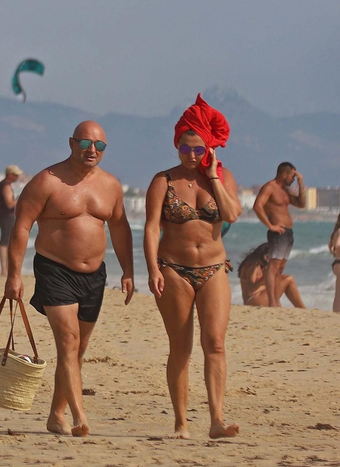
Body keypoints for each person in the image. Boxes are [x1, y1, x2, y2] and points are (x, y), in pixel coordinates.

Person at [4, 121, 135, 438]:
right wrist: (13, 275)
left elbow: (119, 228)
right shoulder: (47, 181)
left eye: (99, 145)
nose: (92, 150)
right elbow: (22, 226)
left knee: (77, 351)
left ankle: (55, 415)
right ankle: (79, 417)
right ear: (71, 143)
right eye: (86, 143)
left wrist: (129, 270)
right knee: (68, 343)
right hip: (54, 270)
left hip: (94, 276)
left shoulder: (111, 186)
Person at [144, 98, 244, 440]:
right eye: (184, 148)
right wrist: (152, 269)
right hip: (173, 269)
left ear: (208, 147)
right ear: (177, 146)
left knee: (215, 342)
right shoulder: (163, 180)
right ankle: (181, 422)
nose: (190, 154)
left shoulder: (223, 175)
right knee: (181, 347)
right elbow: (150, 228)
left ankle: (217, 420)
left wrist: (214, 176)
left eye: (198, 148)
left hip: (214, 268)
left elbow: (232, 214)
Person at [251, 161, 306, 307]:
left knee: (280, 269)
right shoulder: (270, 187)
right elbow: (257, 206)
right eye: (293, 176)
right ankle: (273, 303)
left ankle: (275, 301)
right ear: (285, 174)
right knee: (273, 266)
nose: (293, 179)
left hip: (288, 233)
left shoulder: (285, 191)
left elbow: (302, 204)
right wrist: (270, 225)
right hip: (278, 232)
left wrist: (301, 183)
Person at [237, 243, 302, 308]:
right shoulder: (252, 265)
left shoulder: (261, 265)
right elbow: (250, 291)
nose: (269, 260)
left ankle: (295, 307)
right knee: (289, 279)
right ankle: (301, 308)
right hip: (253, 299)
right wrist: (265, 279)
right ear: (262, 254)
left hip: (258, 297)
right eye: (268, 257)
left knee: (283, 278)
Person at [0, 166, 21, 276]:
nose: (17, 177)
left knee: (7, 240)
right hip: (6, 215)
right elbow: (10, 203)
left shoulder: (5, 185)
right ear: (10, 175)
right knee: (5, 241)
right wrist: (21, 199)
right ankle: (4, 269)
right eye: (16, 175)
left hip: (5, 215)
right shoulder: (6, 186)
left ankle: (5, 269)